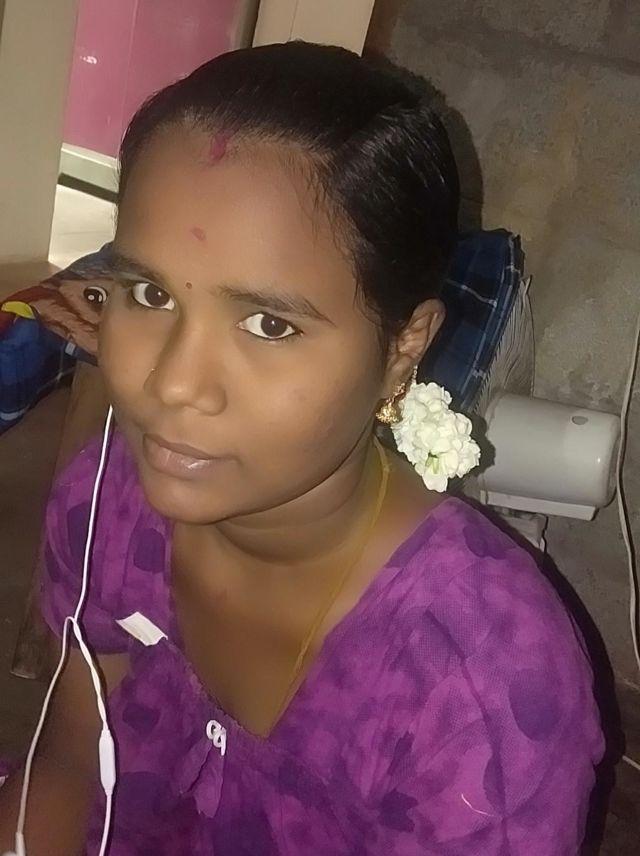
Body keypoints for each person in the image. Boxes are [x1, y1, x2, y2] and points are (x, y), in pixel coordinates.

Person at [0, 41, 603, 855]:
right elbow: (73, 761)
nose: (173, 384)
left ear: (402, 347)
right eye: (149, 293)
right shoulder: (108, 502)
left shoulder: (477, 689)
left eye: (269, 324)